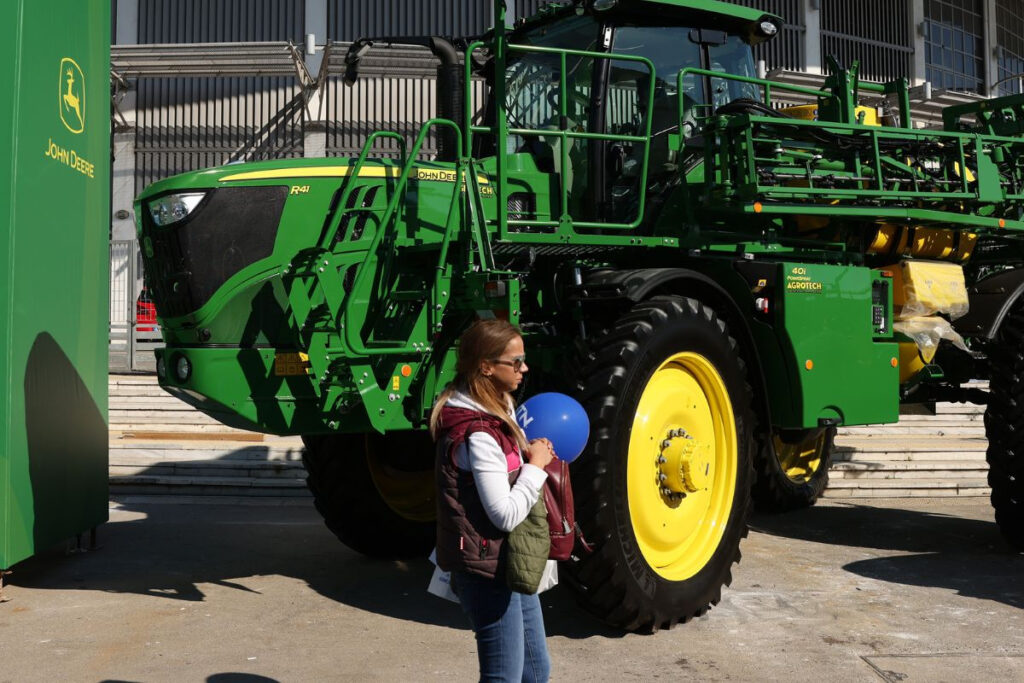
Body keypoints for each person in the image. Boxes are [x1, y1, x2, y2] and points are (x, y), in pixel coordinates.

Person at [430, 318, 556, 682]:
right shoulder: (478, 433)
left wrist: (527, 455)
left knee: (535, 670)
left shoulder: (499, 407)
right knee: (504, 676)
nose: (524, 368)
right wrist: (535, 467)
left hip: (510, 560)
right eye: (515, 362)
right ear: (486, 366)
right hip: (485, 569)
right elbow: (503, 515)